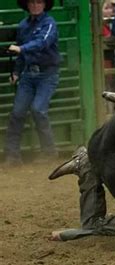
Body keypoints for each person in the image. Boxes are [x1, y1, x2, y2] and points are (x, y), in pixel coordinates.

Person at [4, 0, 60, 166]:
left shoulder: (49, 23)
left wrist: (21, 49)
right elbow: (21, 54)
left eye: (39, 2)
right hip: (28, 74)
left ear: (44, 5)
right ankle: (12, 155)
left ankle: (49, 151)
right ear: (27, 5)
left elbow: (43, 42)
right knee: (17, 112)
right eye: (32, 2)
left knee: (38, 110)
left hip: (47, 74)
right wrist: (16, 72)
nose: (35, 5)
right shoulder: (23, 25)